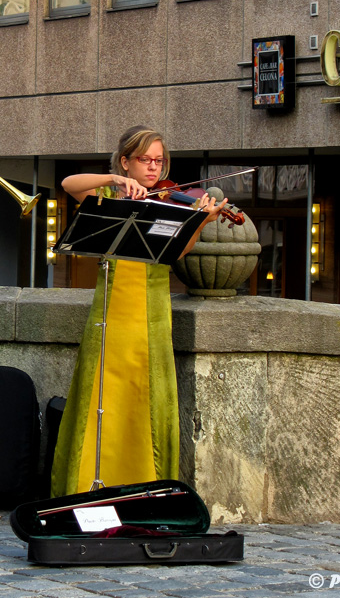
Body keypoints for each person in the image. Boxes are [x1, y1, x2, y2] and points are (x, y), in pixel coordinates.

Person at [50, 125, 227, 498]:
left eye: (158, 160)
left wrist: (201, 221)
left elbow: (176, 254)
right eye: (144, 159)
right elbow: (69, 183)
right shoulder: (108, 198)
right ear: (126, 161)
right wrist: (114, 179)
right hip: (112, 312)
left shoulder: (171, 201)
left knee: (145, 398)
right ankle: (88, 485)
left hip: (153, 314)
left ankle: (146, 488)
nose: (152, 167)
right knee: (103, 398)